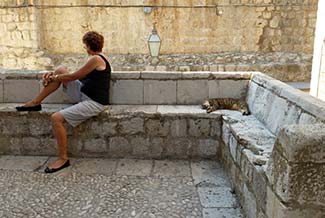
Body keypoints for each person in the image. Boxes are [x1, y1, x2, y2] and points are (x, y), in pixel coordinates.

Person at [16, 31, 111, 173]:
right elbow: (72, 75)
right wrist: (54, 74)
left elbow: (74, 76)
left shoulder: (96, 59)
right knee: (60, 69)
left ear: (88, 46)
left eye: (85, 45)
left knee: (56, 118)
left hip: (94, 102)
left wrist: (54, 78)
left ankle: (63, 158)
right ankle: (35, 102)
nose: (84, 48)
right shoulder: (96, 59)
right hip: (84, 93)